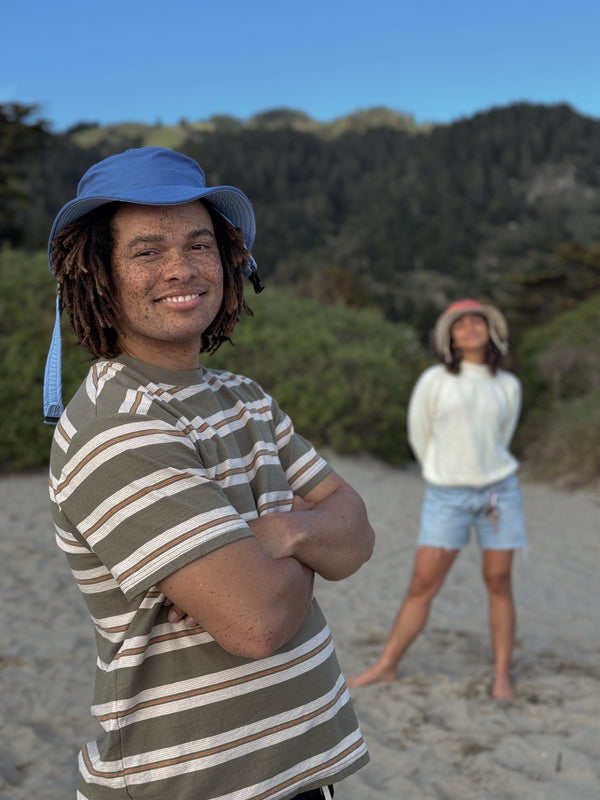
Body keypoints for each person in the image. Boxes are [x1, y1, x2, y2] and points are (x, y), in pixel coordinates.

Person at [43, 146, 374, 800]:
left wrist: (279, 532)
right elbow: (256, 621)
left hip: (298, 776)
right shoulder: (117, 424)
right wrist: (315, 533)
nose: (180, 268)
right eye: (146, 252)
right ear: (99, 277)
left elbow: (359, 532)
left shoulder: (242, 396)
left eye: (199, 245)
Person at [347, 299, 526, 700]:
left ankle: (502, 676)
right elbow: (419, 434)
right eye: (459, 324)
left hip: (500, 493)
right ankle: (386, 665)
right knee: (422, 584)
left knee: (499, 581)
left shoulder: (508, 386)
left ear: (490, 330)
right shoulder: (434, 380)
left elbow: (502, 439)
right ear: (450, 337)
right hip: (447, 495)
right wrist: (443, 473)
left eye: (476, 321)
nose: (469, 328)